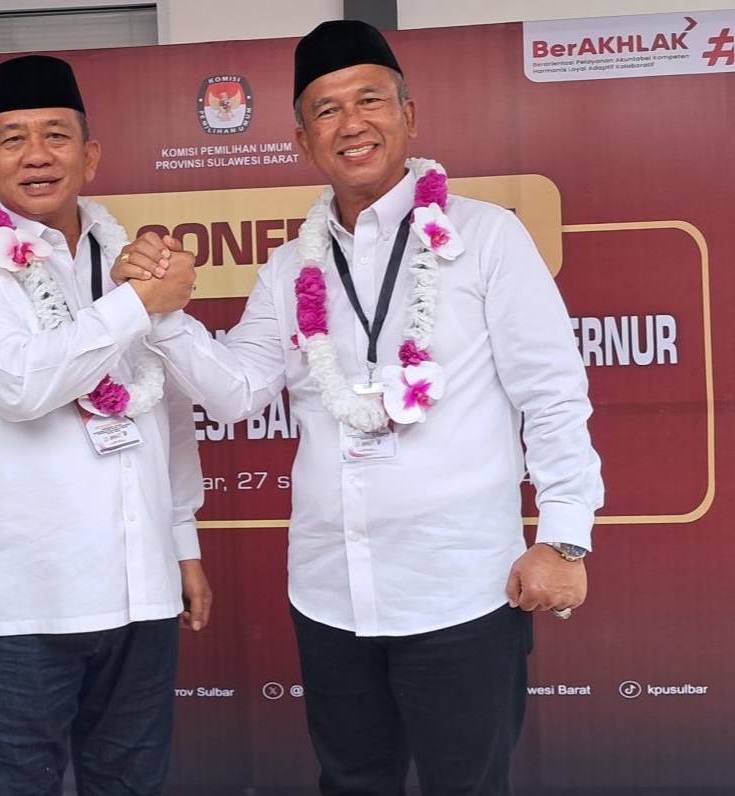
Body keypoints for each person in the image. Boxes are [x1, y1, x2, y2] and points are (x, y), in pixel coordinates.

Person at [114, 20, 603, 796]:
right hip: (330, 594)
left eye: (369, 100)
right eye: (327, 109)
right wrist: (161, 312)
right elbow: (237, 392)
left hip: (463, 590)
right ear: (303, 139)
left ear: (409, 114)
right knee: (351, 784)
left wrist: (565, 539)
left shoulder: (487, 238)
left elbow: (553, 394)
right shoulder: (288, 269)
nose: (352, 123)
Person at [0, 54, 209, 796]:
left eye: (56, 134)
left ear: (90, 155)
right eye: (13, 139)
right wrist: (136, 305)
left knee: (132, 785)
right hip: (21, 601)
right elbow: (21, 385)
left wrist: (181, 542)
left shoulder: (131, 260)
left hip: (140, 589)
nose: (37, 154)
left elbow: (168, 407)